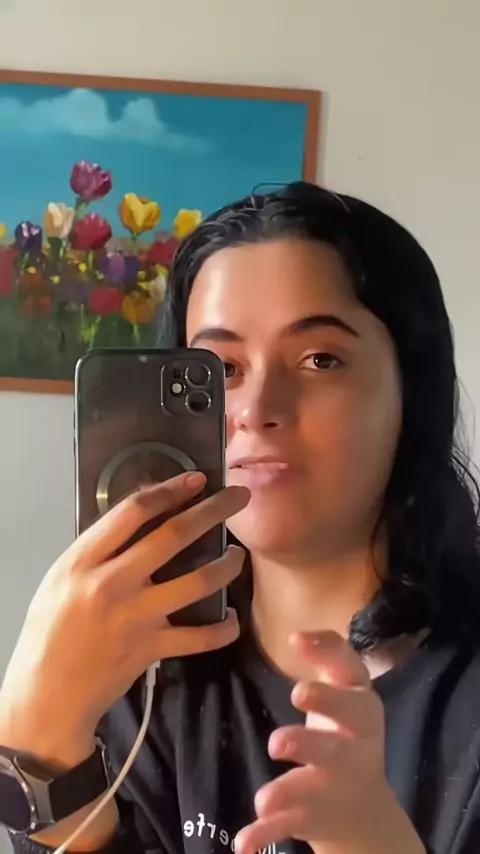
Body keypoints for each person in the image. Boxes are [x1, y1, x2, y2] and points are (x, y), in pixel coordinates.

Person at [1, 182, 480, 854]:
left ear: (412, 391)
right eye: (220, 368)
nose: (256, 408)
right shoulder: (141, 669)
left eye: (320, 359)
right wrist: (35, 740)